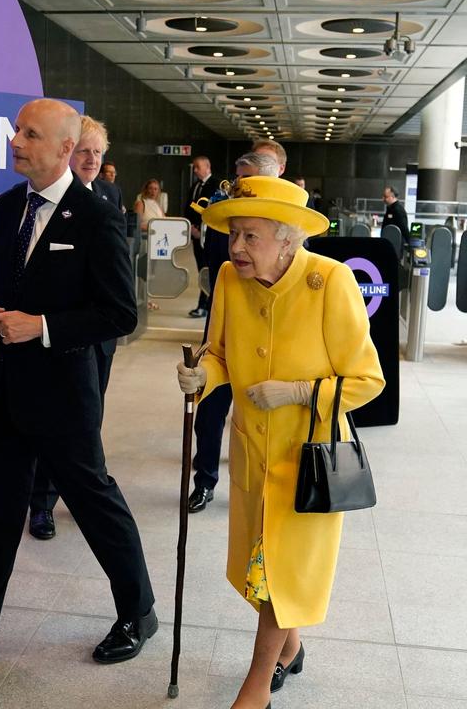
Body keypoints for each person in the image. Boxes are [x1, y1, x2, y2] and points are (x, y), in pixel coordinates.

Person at [0, 98, 156, 673]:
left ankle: (137, 612)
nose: (15, 141)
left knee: (93, 503)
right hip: (3, 391)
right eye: (17, 130)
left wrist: (40, 327)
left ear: (66, 149)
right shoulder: (4, 207)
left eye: (30, 134)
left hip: (65, 394)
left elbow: (119, 314)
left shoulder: (95, 217)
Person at [176, 176, 384, 709]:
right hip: (251, 451)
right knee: (259, 571)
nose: (237, 248)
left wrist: (295, 392)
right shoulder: (227, 278)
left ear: (288, 239)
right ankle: (290, 649)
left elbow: (367, 381)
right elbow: (218, 351)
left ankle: (257, 685)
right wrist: (204, 375)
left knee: (275, 573)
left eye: (251, 236)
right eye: (233, 234)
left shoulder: (331, 281)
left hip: (308, 462)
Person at [28, 115, 123, 541]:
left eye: (97, 153)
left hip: (98, 341)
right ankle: (42, 503)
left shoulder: (108, 197)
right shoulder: (45, 203)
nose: (91, 160)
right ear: (67, 152)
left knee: (87, 424)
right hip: (53, 341)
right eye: (84, 151)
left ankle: (82, 496)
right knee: (50, 425)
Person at [187, 150, 281, 514]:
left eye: (247, 183)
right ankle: (205, 481)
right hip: (227, 325)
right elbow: (215, 264)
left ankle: (269, 489)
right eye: (237, 181)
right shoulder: (224, 215)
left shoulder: (289, 228)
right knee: (210, 409)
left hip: (275, 338)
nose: (237, 190)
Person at [186, 156, 216, 318]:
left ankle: (205, 305)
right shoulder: (195, 186)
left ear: (207, 166)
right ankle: (203, 304)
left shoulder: (215, 185)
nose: (195, 170)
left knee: (207, 270)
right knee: (201, 270)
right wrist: (190, 226)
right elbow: (188, 207)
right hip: (195, 234)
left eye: (198, 167)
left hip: (207, 235)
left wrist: (201, 228)